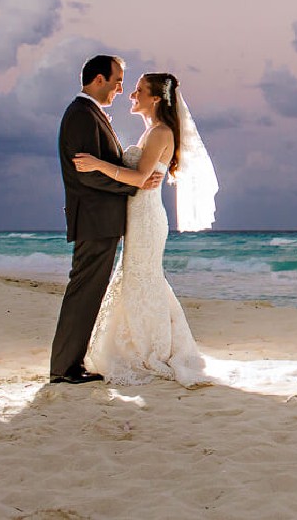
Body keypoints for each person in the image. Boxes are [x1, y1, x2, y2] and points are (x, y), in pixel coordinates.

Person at [74, 71, 219, 387]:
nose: (131, 94)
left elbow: (139, 178)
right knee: (142, 280)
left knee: (143, 279)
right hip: (140, 215)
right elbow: (140, 177)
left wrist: (97, 165)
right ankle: (148, 343)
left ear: (155, 98)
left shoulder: (159, 133)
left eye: (138, 90)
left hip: (147, 219)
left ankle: (151, 349)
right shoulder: (153, 133)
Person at [49, 54, 159, 385]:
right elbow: (88, 176)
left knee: (88, 290)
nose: (120, 89)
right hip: (95, 219)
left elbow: (96, 168)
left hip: (100, 219)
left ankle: (70, 363)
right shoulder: (82, 115)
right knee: (84, 290)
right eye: (117, 82)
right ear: (98, 79)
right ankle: (65, 368)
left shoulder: (90, 114)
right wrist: (134, 184)